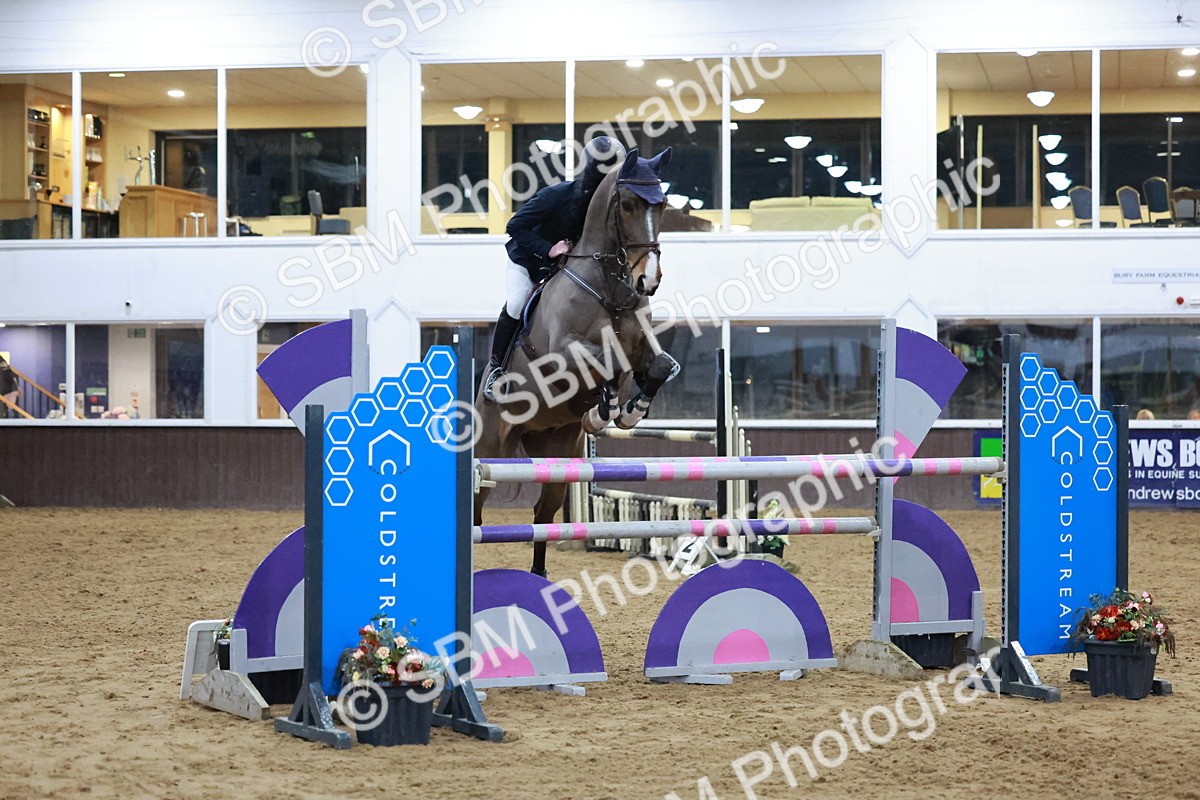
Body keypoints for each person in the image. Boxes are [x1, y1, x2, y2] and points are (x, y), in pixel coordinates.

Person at [481, 136, 626, 402]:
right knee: (516, 304)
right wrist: (549, 248)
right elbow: (515, 226)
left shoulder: (604, 209)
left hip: (563, 269)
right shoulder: (558, 195)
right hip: (529, 260)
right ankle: (496, 369)